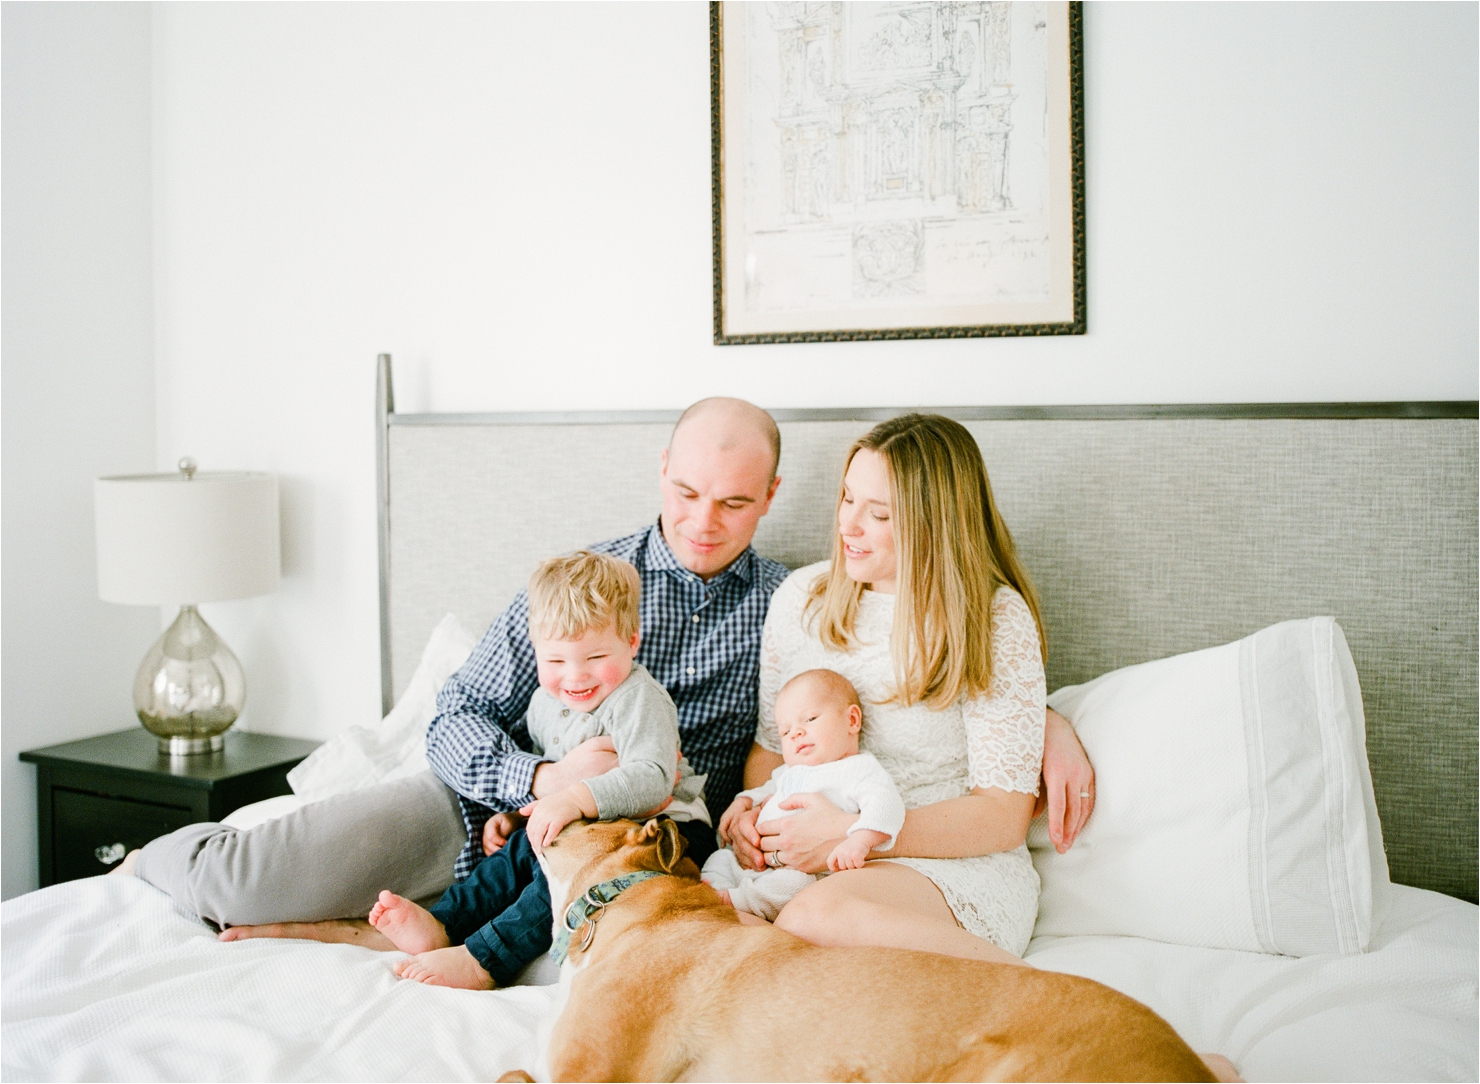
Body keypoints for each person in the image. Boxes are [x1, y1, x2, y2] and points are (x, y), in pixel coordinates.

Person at [121, 398, 1096, 948]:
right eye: (683, 491)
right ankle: (137, 860)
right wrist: (535, 781)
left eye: (730, 501)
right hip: (482, 818)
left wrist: (1043, 711)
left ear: (768, 501)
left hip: (631, 847)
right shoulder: (587, 583)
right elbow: (456, 713)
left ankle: (374, 935)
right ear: (658, 466)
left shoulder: (785, 603)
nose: (702, 520)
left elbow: (892, 681)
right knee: (242, 875)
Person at [727, 413, 1050, 963]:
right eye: (848, 498)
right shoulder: (800, 599)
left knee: (812, 919)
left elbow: (1002, 814)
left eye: (878, 513)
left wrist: (857, 833)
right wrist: (750, 815)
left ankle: (1087, 1020)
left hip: (944, 866)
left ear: (935, 524)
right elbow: (772, 752)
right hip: (816, 861)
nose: (848, 525)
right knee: (714, 929)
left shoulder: (992, 618)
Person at [366, 549, 709, 989]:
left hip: (667, 829)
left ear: (632, 641)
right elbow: (555, 771)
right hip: (587, 821)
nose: (575, 677)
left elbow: (654, 779)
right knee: (517, 855)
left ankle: (484, 959)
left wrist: (571, 799)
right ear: (536, 654)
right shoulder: (544, 704)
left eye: (594, 657)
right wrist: (522, 813)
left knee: (564, 877)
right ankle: (444, 924)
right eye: (556, 662)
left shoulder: (638, 700)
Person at [702, 668, 905, 922]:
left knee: (794, 886)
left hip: (801, 869)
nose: (796, 733)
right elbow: (764, 790)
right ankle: (710, 889)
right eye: (785, 732)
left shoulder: (859, 769)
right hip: (756, 864)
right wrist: (743, 801)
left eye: (809, 719)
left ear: (852, 720)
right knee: (720, 858)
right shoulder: (789, 771)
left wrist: (859, 842)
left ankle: (736, 900)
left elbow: (887, 807)